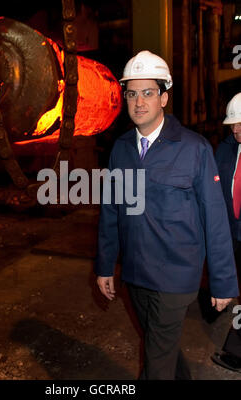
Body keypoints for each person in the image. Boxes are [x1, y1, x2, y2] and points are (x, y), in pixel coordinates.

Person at [95, 50, 239, 380]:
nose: (139, 102)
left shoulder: (194, 148)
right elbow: (111, 212)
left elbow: (215, 218)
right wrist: (105, 265)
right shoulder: (121, 149)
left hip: (176, 276)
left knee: (155, 364)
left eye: (148, 92)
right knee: (161, 347)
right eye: (132, 93)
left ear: (164, 97)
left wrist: (222, 281)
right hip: (135, 274)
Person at [211, 92, 241, 372]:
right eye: (233, 124)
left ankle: (236, 352)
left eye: (240, 124)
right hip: (233, 234)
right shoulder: (226, 149)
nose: (235, 130)